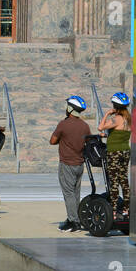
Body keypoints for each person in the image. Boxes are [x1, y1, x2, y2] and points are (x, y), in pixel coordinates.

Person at [50, 95, 89, 232]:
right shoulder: (85, 126)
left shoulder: (64, 124)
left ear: (70, 109)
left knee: (68, 193)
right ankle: (75, 217)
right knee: (75, 192)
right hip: (80, 163)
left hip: (67, 163)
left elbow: (52, 141)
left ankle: (74, 222)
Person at [98, 92, 131, 217]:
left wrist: (107, 114)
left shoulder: (117, 119)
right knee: (124, 180)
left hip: (114, 153)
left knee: (114, 181)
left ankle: (113, 210)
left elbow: (100, 127)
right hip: (125, 151)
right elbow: (120, 134)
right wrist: (108, 135)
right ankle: (126, 209)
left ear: (115, 106)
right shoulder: (129, 119)